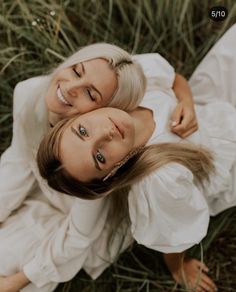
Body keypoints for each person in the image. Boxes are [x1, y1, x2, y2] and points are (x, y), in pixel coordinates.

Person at [37, 24, 236, 292]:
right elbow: (173, 236)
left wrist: (186, 102)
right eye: (99, 156)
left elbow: (174, 80)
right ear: (111, 172)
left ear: (79, 116)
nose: (105, 133)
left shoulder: (125, 92)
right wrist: (178, 267)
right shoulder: (160, 182)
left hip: (209, 104)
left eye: (82, 130)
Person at [0, 41, 197, 291]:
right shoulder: (28, 93)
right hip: (47, 179)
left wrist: (16, 280)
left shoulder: (94, 160)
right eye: (76, 71)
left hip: (84, 207)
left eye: (91, 95)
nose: (69, 88)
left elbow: (80, 235)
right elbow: (17, 162)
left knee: (11, 256)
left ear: (109, 107)